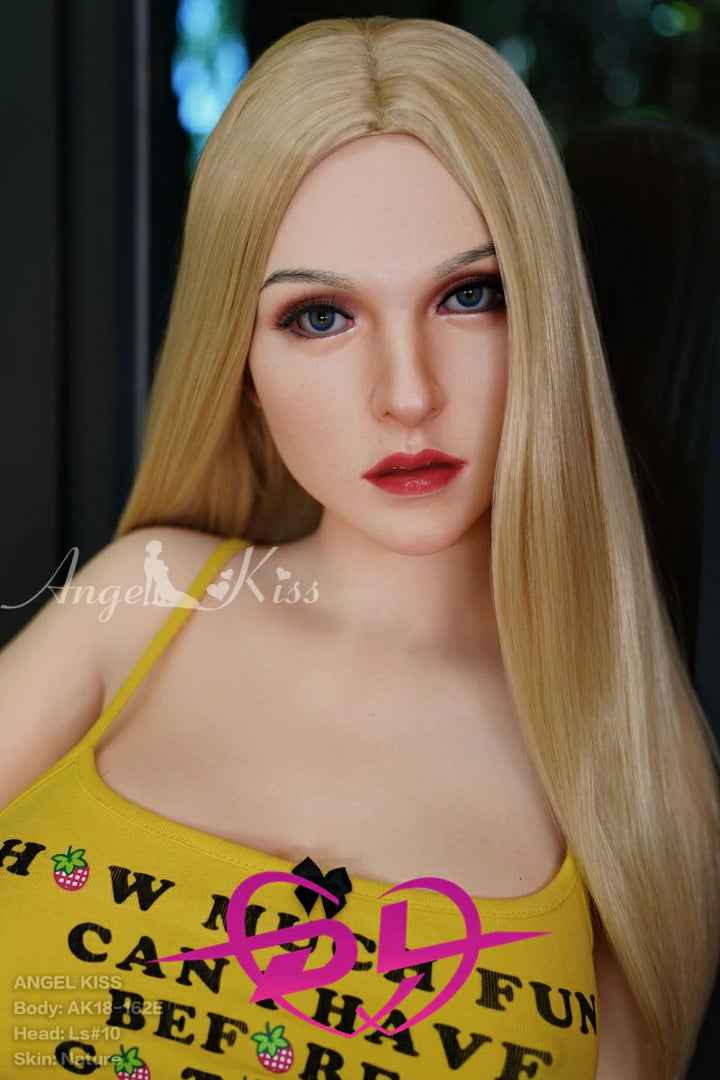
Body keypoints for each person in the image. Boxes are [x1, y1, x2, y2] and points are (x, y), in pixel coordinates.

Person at [0, 16, 718, 1080]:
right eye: (320, 316)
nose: (408, 393)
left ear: (550, 322)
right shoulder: (144, 595)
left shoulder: (632, 780)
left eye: (470, 296)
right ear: (241, 362)